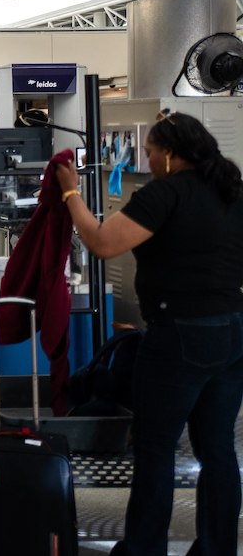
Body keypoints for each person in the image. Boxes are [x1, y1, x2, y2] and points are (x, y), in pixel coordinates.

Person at [55, 111, 243, 556]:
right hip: (233, 332)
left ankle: (144, 549)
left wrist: (70, 192)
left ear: (171, 154)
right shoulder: (232, 191)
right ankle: (217, 549)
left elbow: (102, 242)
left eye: (150, 152)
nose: (148, 159)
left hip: (178, 334)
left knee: (156, 447)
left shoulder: (165, 193)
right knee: (217, 447)